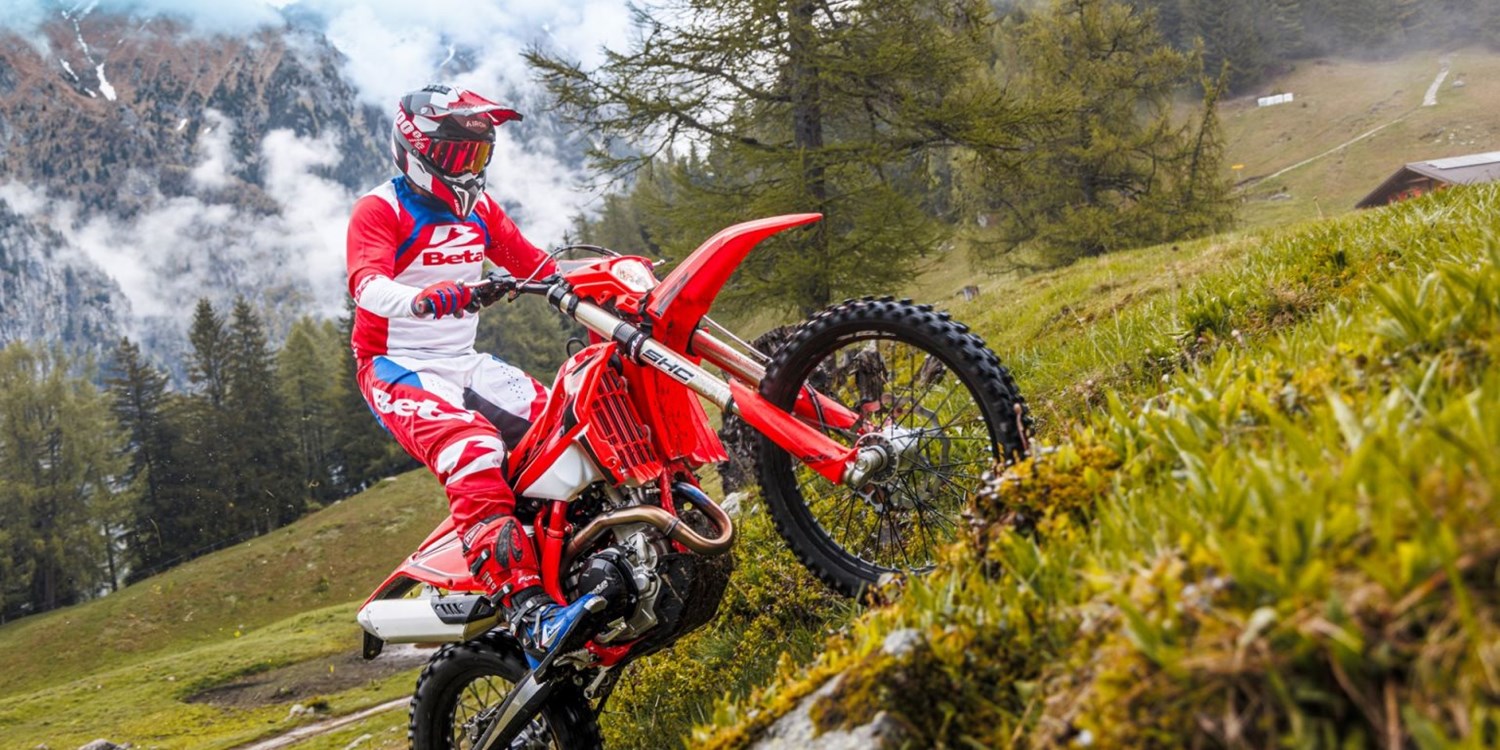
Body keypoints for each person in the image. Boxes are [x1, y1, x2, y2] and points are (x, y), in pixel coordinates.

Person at [345, 84, 600, 666]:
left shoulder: (480, 210)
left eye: (478, 155)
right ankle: (528, 609)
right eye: (457, 155)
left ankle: (581, 554)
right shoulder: (380, 209)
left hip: (462, 361)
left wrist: (604, 281)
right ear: (416, 151)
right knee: (474, 449)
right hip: (396, 366)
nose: (468, 168)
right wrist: (422, 299)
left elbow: (538, 266)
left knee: (565, 425)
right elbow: (367, 285)